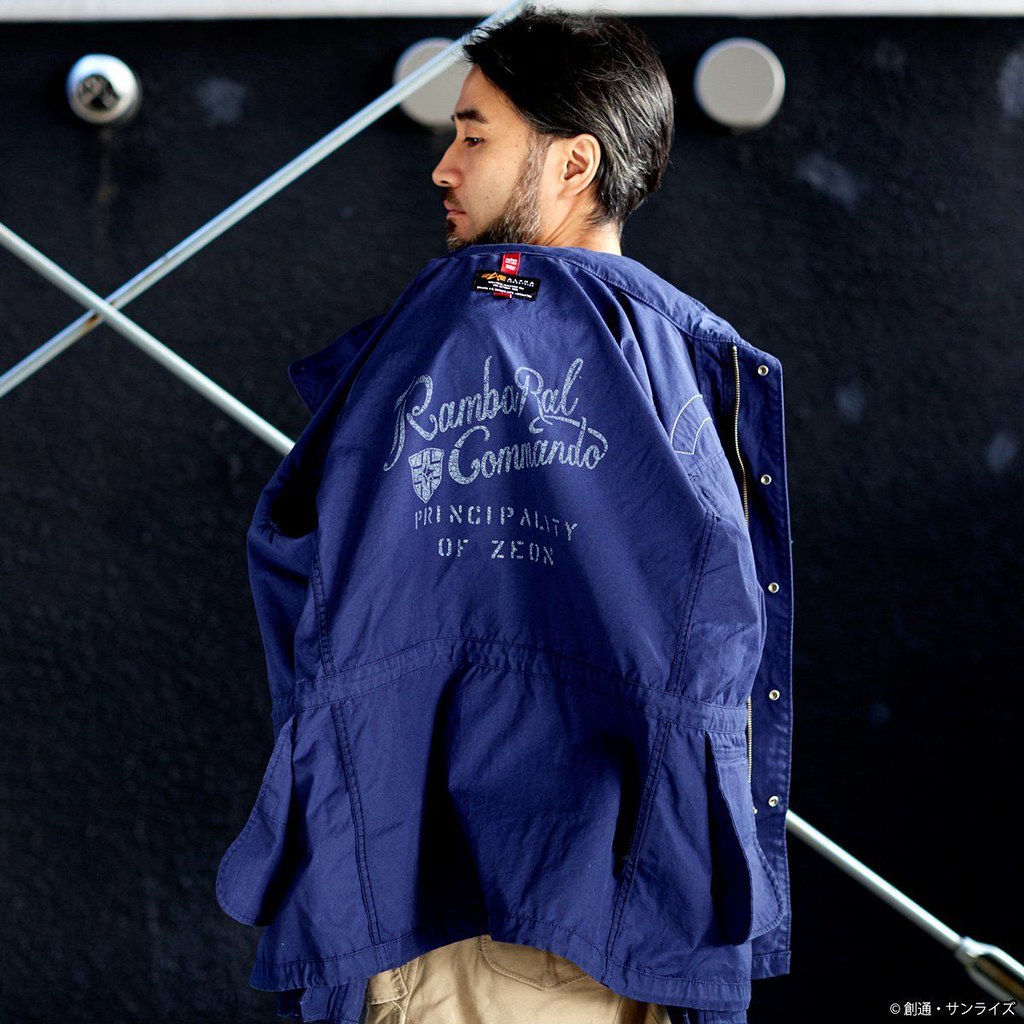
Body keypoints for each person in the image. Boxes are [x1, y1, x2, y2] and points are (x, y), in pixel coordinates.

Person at [215, 8, 794, 1024]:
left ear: (574, 162)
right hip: (631, 909)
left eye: (474, 136)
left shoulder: (462, 327)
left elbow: (308, 574)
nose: (443, 168)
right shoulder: (686, 362)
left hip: (449, 921)